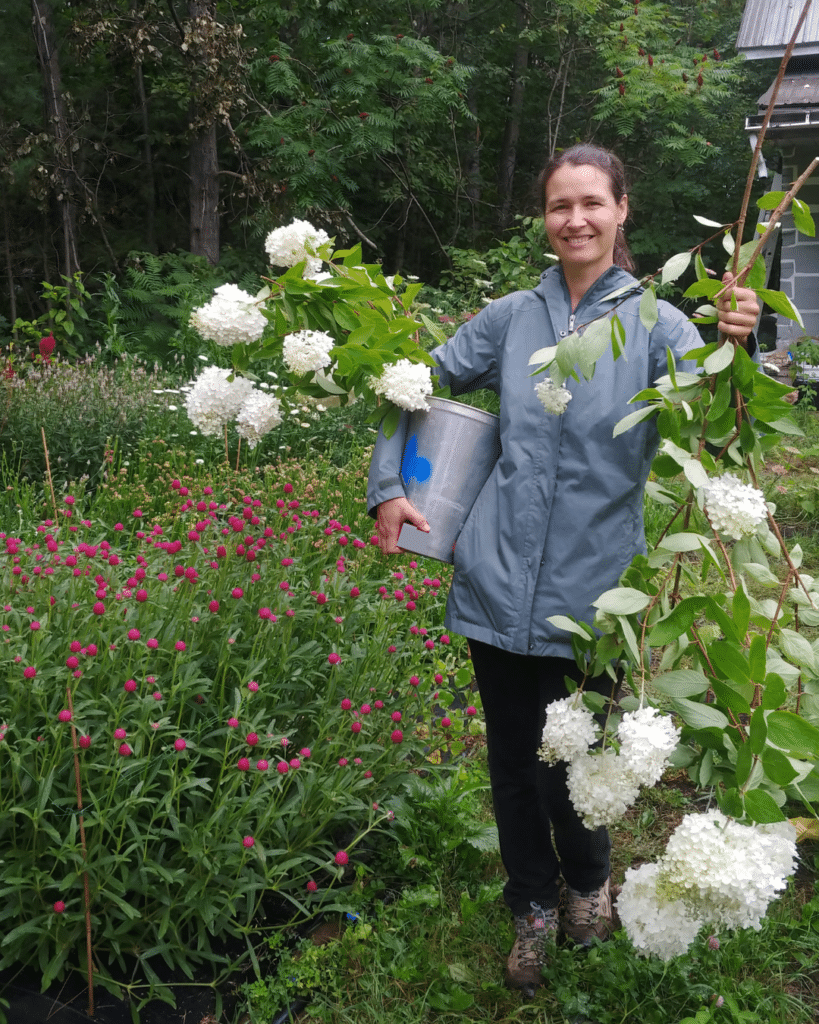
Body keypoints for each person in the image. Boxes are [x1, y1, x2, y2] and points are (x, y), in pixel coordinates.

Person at [367, 144, 759, 992]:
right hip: (492, 573)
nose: (573, 219)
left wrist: (740, 348)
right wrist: (389, 487)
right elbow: (408, 384)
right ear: (544, 219)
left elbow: (718, 433)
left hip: (595, 593)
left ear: (622, 211)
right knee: (511, 759)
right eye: (557, 205)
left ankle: (588, 882)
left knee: (577, 762)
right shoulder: (510, 317)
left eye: (590, 203)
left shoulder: (657, 325)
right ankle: (531, 906)